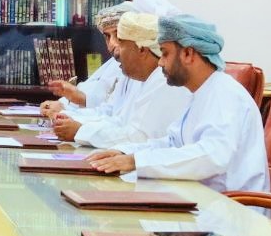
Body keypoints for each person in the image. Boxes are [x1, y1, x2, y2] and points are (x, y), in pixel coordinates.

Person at [87, 14, 268, 192]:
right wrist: (125, 153)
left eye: (165, 53)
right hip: (198, 197)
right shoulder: (201, 92)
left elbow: (211, 157)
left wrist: (135, 161)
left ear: (188, 53)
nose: (160, 62)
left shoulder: (225, 95)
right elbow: (173, 142)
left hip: (230, 206)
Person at [49, 11, 186, 149]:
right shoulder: (142, 77)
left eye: (121, 42)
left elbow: (141, 137)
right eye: (108, 37)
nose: (115, 49)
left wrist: (79, 131)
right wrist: (70, 119)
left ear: (142, 49)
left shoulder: (163, 81)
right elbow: (117, 119)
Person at [41, 1, 133, 119]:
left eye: (119, 35)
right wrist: (63, 105)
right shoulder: (114, 63)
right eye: (107, 36)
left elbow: (112, 116)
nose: (112, 44)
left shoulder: (142, 73)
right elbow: (105, 108)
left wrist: (67, 111)